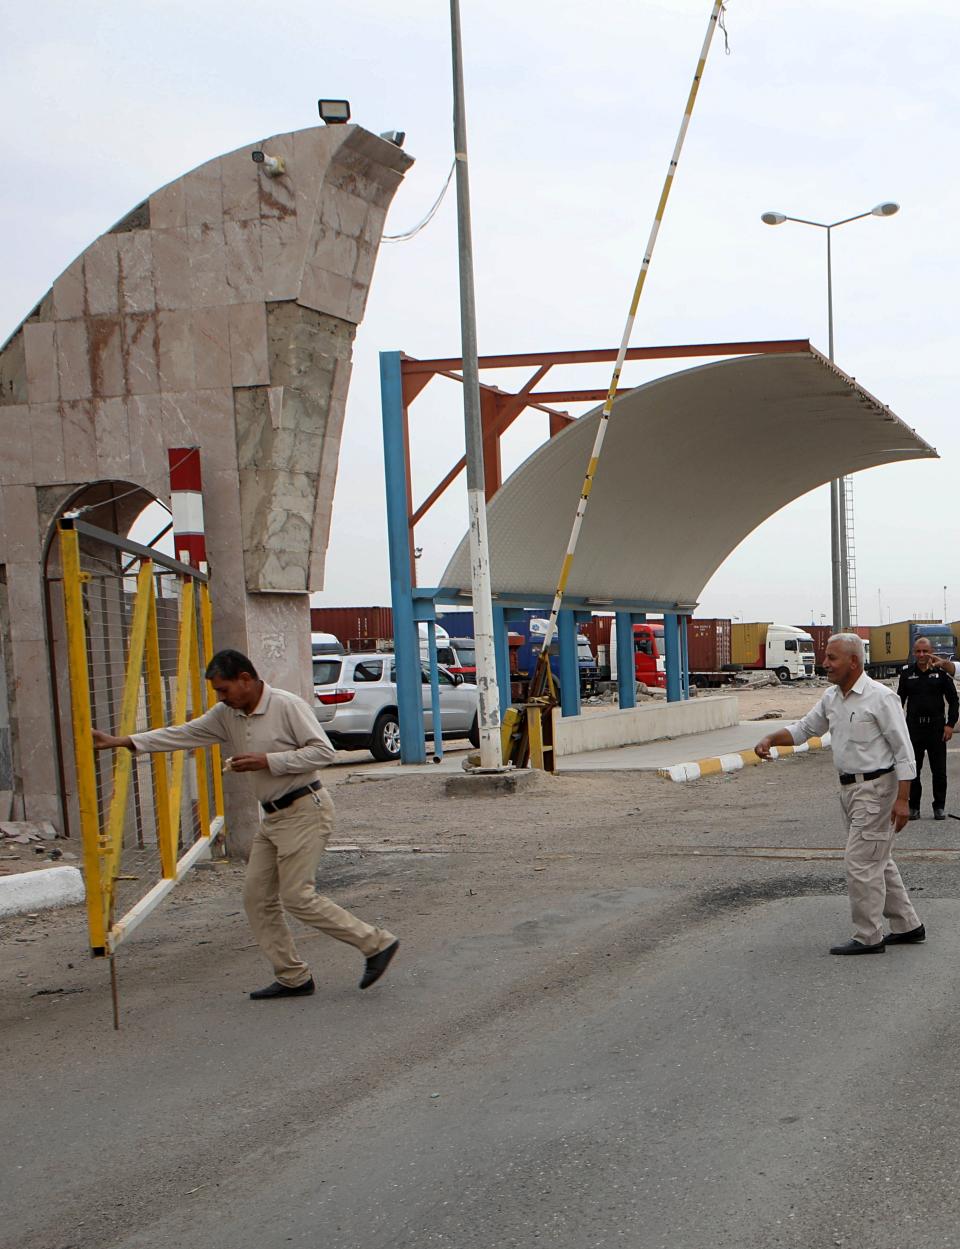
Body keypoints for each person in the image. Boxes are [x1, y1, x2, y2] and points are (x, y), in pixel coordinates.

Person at [91, 649, 399, 1000]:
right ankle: (293, 977)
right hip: (273, 817)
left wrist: (267, 761)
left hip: (305, 809)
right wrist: (125, 742)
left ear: (246, 680)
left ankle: (377, 943)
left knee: (297, 896)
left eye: (224, 690)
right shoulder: (228, 715)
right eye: (218, 693)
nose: (221, 698)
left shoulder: (286, 705)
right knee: (256, 898)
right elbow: (185, 734)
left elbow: (323, 752)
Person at [755, 632, 924, 955]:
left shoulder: (880, 698)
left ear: (854, 662)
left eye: (832, 658)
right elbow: (805, 729)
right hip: (849, 789)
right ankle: (907, 925)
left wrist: (903, 800)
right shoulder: (831, 697)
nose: (825, 663)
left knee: (860, 861)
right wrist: (770, 738)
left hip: (878, 789)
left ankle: (868, 936)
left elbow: (904, 753)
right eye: (826, 656)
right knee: (877, 857)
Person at [898, 637, 958, 819]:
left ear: (931, 651)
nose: (922, 655)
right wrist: (898, 727)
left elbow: (954, 700)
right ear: (914, 652)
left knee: (939, 771)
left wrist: (950, 725)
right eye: (918, 651)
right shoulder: (907, 673)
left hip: (937, 728)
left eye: (925, 651)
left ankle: (939, 806)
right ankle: (914, 807)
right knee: (913, 770)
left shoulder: (940, 673)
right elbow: (898, 702)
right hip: (914, 728)